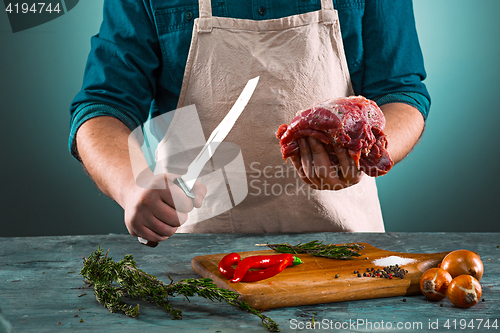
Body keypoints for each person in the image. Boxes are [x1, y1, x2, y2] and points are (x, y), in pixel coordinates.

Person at [69, 0, 430, 244]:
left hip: (345, 247)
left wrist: (366, 153)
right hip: (194, 257)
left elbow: (401, 92)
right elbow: (104, 105)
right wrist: (131, 186)